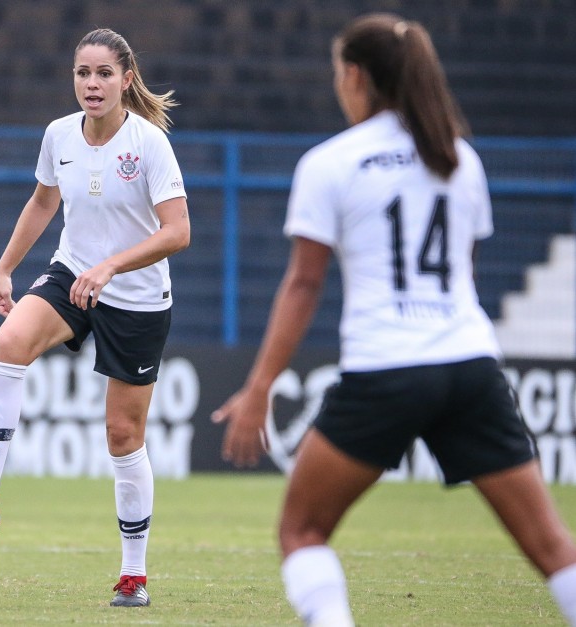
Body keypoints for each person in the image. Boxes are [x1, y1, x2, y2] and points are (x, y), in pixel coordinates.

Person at [211, 12, 576, 627]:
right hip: (470, 367)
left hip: (387, 370)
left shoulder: (332, 162)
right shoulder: (459, 158)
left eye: (337, 73)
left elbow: (304, 284)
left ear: (356, 75)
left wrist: (259, 387)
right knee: (552, 549)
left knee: (302, 531)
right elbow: (466, 270)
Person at [0, 27, 190, 608]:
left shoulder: (149, 143)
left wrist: (110, 268)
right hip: (72, 272)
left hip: (136, 298)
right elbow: (43, 201)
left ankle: (134, 576)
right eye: (83, 73)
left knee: (122, 436)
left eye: (104, 74)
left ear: (127, 79)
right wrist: (6, 269)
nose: (92, 84)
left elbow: (179, 232)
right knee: (8, 342)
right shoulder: (59, 135)